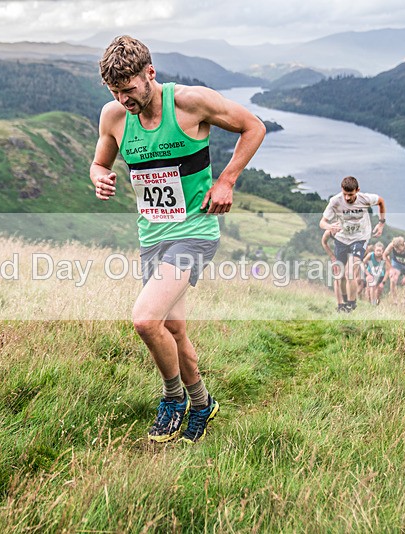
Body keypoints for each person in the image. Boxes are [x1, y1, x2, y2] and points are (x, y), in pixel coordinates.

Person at [90, 35, 265, 443]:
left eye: (129, 89)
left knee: (145, 319)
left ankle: (173, 399)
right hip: (152, 236)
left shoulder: (190, 103)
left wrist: (227, 180)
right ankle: (203, 403)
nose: (123, 99)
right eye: (115, 91)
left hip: (195, 231)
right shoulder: (113, 115)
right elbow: (99, 162)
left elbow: (252, 127)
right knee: (175, 328)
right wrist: (99, 176)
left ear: (150, 73)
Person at [319, 176, 386, 312]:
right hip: (342, 239)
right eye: (345, 194)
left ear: (357, 190)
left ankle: (351, 303)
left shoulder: (365, 198)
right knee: (341, 275)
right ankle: (344, 303)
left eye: (350, 194)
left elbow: (380, 201)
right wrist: (329, 226)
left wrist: (381, 223)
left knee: (351, 271)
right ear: (341, 190)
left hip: (360, 238)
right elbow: (322, 222)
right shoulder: (335, 201)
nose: (347, 198)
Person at [384, 236, 405, 305]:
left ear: (403, 246)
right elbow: (384, 255)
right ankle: (395, 301)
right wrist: (391, 268)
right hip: (397, 263)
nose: (397, 251)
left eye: (399, 249)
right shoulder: (392, 245)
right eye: (395, 249)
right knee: (393, 279)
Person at [321, 229, 348, 312]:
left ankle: (346, 300)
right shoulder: (328, 232)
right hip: (338, 255)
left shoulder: (347, 228)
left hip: (349, 254)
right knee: (337, 278)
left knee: (344, 278)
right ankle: (340, 304)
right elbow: (324, 242)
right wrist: (332, 256)